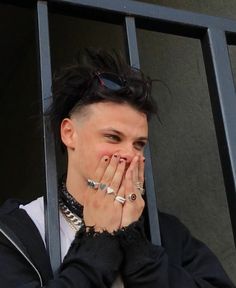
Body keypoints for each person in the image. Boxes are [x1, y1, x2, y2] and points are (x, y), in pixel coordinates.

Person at [0, 49, 234, 288]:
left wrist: (138, 252)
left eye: (139, 143)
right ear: (69, 133)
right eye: (113, 137)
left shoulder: (165, 230)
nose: (129, 154)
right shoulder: (18, 231)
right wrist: (97, 244)